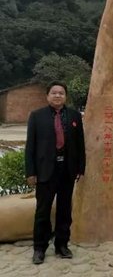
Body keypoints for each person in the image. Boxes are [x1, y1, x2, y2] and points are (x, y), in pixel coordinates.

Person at [25, 81, 86, 265]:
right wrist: (30, 172)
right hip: (45, 171)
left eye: (61, 93)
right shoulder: (37, 116)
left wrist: (80, 168)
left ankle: (62, 245)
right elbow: (30, 147)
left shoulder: (74, 116)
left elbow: (80, 144)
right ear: (47, 96)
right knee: (42, 211)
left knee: (65, 210)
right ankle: (39, 248)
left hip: (67, 170)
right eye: (54, 92)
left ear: (65, 96)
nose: (58, 95)